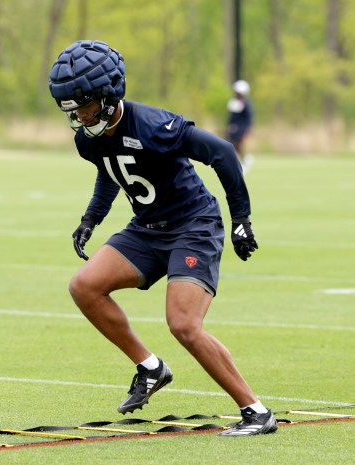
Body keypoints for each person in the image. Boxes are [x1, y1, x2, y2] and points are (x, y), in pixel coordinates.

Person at [49, 40, 277, 437]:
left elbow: (222, 152)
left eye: (83, 104)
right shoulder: (88, 138)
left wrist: (242, 219)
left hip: (193, 225)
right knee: (84, 286)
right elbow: (109, 168)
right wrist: (91, 218)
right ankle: (151, 368)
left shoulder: (155, 124)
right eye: (71, 107)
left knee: (184, 325)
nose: (79, 115)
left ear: (107, 95)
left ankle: (256, 412)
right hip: (148, 228)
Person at [226, 80, 254, 175]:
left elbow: (248, 118)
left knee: (238, 144)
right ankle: (244, 159)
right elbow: (232, 116)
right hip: (234, 128)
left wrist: (248, 129)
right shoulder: (233, 102)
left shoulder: (246, 103)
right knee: (232, 144)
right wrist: (229, 126)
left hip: (242, 127)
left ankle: (245, 160)